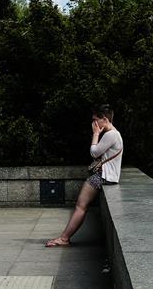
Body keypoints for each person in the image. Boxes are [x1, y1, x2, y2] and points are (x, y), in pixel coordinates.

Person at [46, 104, 123, 247]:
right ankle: (64, 238)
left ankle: (64, 238)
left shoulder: (111, 134)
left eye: (95, 120)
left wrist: (95, 134)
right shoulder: (114, 134)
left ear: (104, 119)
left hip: (102, 177)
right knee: (81, 206)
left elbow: (94, 152)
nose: (93, 124)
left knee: (81, 206)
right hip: (106, 176)